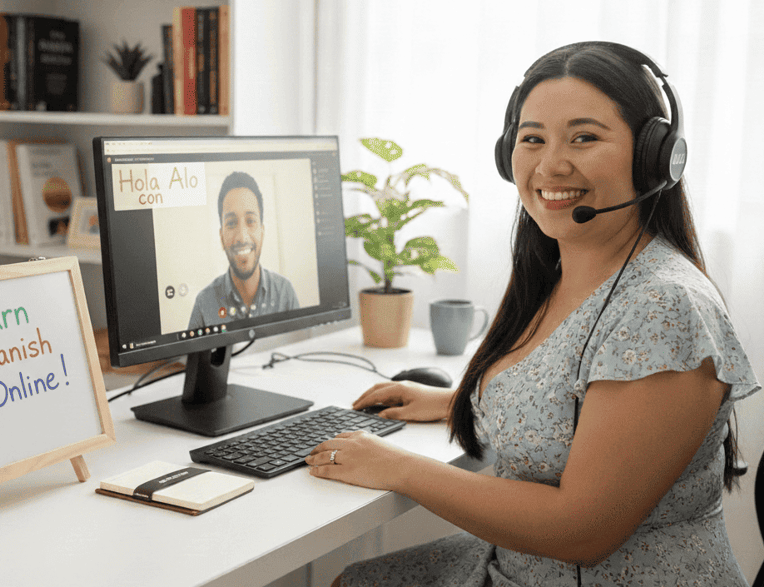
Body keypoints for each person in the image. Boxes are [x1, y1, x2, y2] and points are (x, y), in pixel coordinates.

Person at [305, 41, 761, 587]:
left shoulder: (664, 308)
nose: (550, 164)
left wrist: (399, 468)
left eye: (584, 138)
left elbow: (581, 530)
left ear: (653, 156)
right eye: (532, 139)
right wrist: (455, 402)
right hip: (526, 567)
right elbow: (576, 403)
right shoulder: (558, 271)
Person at [188, 171, 299, 330]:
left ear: (262, 231)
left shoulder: (285, 292)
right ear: (221, 237)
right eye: (232, 223)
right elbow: (190, 355)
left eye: (251, 221)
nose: (242, 237)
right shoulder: (204, 303)